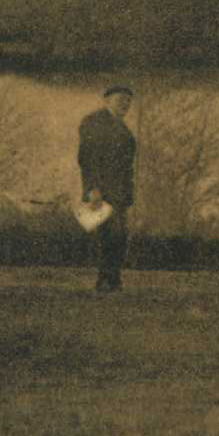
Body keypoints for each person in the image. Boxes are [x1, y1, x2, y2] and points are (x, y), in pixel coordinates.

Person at [78, 84, 138, 294]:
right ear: (107, 100)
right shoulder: (94, 123)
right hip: (102, 190)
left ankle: (112, 279)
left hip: (120, 193)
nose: (125, 104)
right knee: (108, 236)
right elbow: (87, 159)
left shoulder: (125, 131)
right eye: (120, 99)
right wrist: (92, 189)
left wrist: (129, 195)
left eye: (128, 101)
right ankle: (106, 279)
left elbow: (128, 167)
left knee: (119, 236)